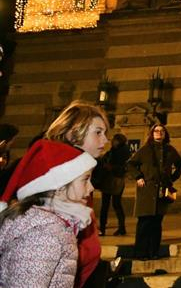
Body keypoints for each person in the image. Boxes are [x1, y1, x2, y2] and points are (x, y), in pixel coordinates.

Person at [0, 140, 97, 288]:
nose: (91, 187)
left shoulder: (55, 225)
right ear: (59, 186)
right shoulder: (44, 234)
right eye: (85, 180)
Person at [45, 101, 109, 288]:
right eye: (98, 133)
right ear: (73, 134)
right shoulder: (58, 178)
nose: (105, 141)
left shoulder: (80, 173)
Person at [126, 124, 181, 261]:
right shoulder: (145, 150)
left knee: (157, 223)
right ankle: (141, 253)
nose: (159, 133)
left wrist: (173, 178)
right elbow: (130, 164)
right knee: (144, 223)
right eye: (156, 131)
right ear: (152, 134)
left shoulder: (170, 150)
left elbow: (180, 163)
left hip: (162, 191)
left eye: (162, 131)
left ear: (165, 134)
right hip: (147, 191)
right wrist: (138, 177)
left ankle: (154, 252)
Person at [96, 134, 130, 236]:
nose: (113, 142)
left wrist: (111, 167)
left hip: (116, 181)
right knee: (107, 205)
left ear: (119, 141)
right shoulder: (112, 151)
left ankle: (120, 228)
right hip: (109, 181)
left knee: (115, 204)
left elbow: (123, 167)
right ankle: (103, 228)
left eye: (115, 140)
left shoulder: (123, 152)